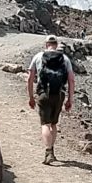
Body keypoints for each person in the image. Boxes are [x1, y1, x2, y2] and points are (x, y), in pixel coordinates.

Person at [25, 36, 75, 164]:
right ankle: (52, 150)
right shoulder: (64, 58)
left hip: (43, 94)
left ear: (46, 44)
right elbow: (71, 80)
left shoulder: (38, 57)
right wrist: (70, 99)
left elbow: (30, 78)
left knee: (45, 124)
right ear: (56, 44)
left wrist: (31, 97)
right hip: (59, 94)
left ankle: (48, 152)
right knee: (53, 124)